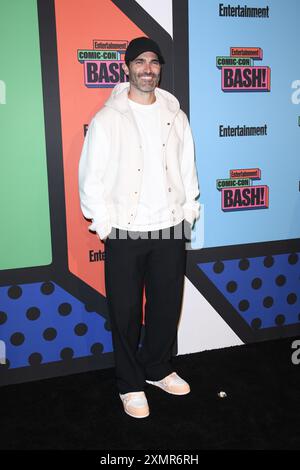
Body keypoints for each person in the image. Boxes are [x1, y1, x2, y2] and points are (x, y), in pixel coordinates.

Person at [79, 37, 200, 418]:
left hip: (169, 228)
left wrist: (188, 213)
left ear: (160, 68)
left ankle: (158, 368)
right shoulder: (108, 118)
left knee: (166, 308)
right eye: (140, 62)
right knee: (126, 312)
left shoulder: (176, 116)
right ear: (127, 67)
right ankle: (130, 384)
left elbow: (187, 169)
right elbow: (91, 178)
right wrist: (106, 226)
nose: (148, 69)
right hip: (126, 231)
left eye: (154, 62)